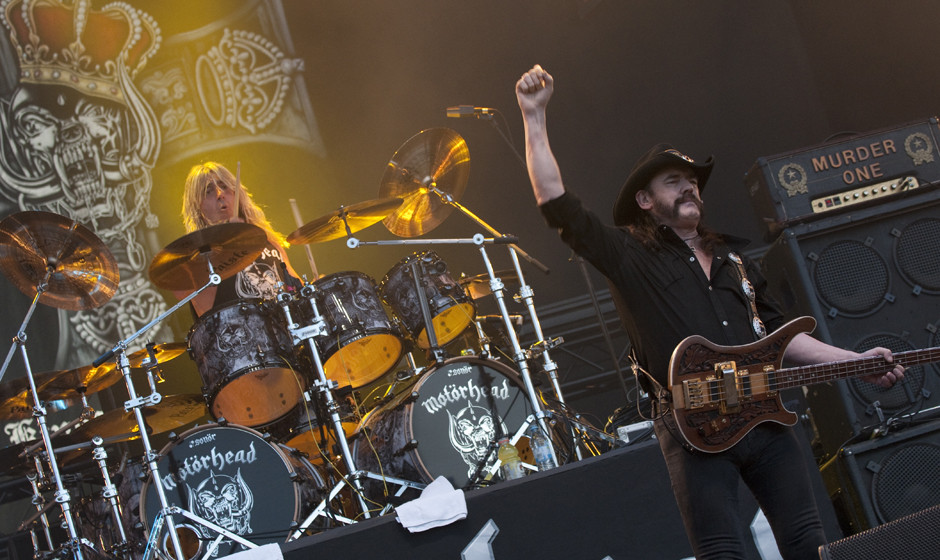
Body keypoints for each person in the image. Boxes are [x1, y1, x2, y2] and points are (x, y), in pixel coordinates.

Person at [514, 64, 905, 559]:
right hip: (692, 428)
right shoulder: (628, 255)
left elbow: (782, 337)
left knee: (809, 541)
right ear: (645, 200)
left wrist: (854, 363)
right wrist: (534, 116)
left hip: (764, 417)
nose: (689, 188)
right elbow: (556, 204)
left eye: (693, 181)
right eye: (673, 181)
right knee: (721, 552)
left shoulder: (735, 261)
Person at [175, 161, 301, 316]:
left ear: (237, 194)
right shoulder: (199, 258)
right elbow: (181, 292)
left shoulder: (268, 242)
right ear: (198, 208)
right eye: (208, 191)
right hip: (241, 329)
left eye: (224, 186)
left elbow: (296, 289)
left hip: (285, 325)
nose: (220, 194)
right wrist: (227, 239)